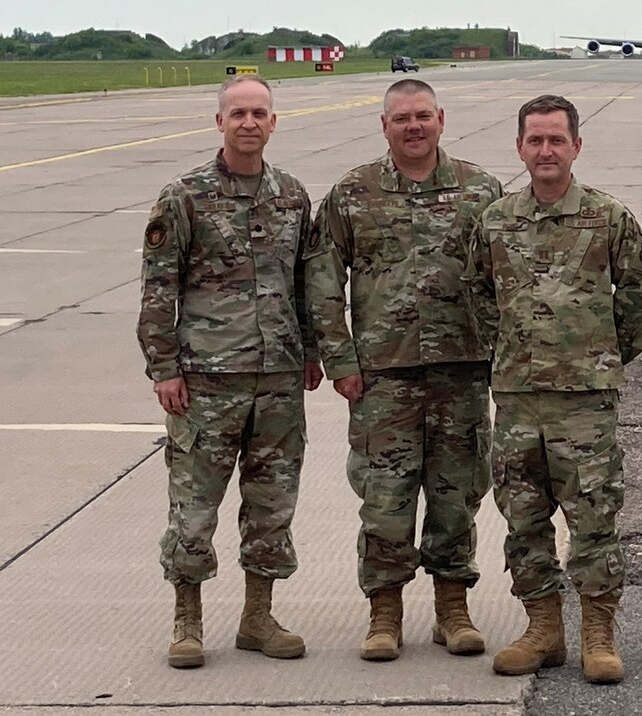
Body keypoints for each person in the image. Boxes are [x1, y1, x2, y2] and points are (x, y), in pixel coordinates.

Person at [305, 78, 503, 661]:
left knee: (456, 494)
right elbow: (322, 280)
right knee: (384, 498)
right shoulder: (351, 193)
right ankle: (384, 613)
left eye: (422, 116)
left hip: (461, 371)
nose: (413, 126)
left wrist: (502, 355)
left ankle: (452, 609)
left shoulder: (480, 190)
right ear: (384, 125)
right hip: (382, 376)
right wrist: (339, 358)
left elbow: (503, 278)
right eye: (401, 118)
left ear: (441, 118)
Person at [469, 94, 642, 685]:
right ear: (520, 148)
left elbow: (637, 296)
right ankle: (543, 629)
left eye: (557, 139)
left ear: (577, 146)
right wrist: (513, 355)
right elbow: (479, 298)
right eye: (535, 140)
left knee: (594, 516)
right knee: (524, 518)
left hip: (585, 400)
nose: (545, 150)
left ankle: (597, 634)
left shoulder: (608, 218)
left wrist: (601, 354)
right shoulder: (495, 220)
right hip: (519, 397)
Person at [138, 75, 322, 669]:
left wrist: (312, 350)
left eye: (259, 113)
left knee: (272, 505)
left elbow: (305, 282)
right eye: (238, 112)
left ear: (274, 123)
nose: (249, 122)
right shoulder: (184, 196)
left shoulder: (292, 194)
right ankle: (187, 620)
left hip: (277, 380)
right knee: (193, 507)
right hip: (206, 380)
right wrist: (164, 368)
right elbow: (158, 288)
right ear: (220, 122)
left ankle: (257, 617)